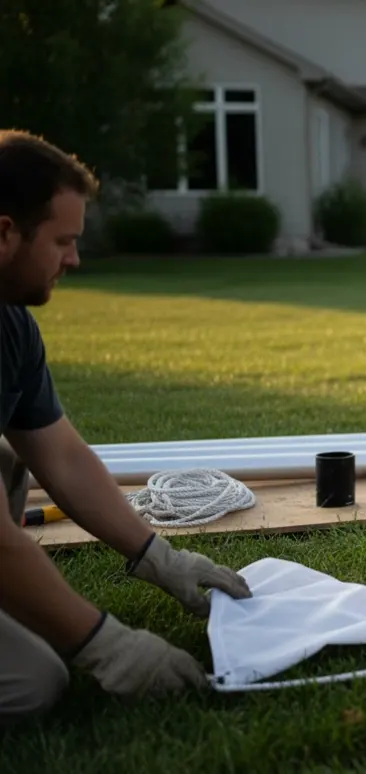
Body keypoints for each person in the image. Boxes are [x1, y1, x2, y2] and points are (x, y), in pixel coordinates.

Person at [0, 129, 253, 724]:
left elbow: (59, 455)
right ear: (5, 232)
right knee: (33, 682)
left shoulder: (10, 325)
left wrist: (158, 557)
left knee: (10, 459)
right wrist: (106, 646)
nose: (75, 259)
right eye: (63, 240)